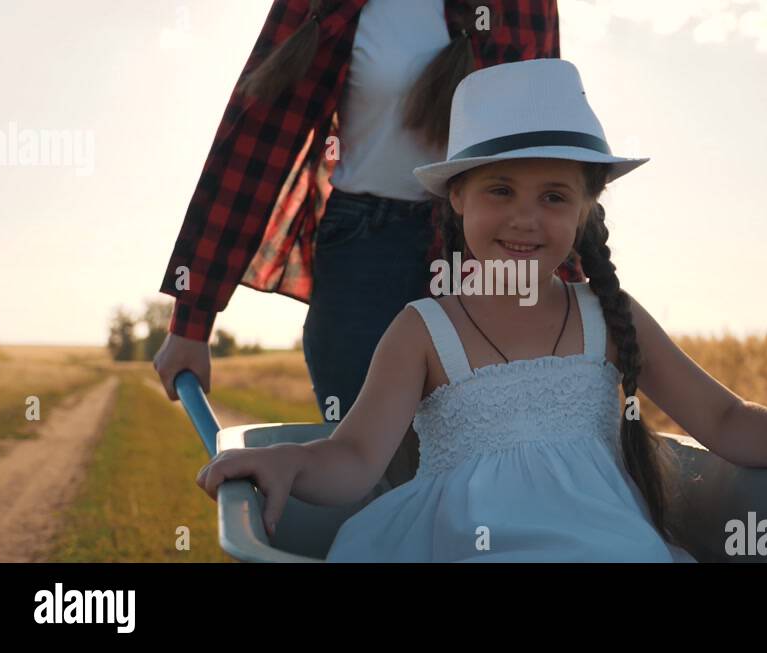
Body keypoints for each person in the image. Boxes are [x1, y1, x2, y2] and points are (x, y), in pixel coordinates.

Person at [196, 58, 767, 562]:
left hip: (604, 545)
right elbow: (354, 456)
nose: (526, 219)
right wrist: (291, 463)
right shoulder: (423, 330)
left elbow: (724, 418)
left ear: (586, 209)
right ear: (458, 199)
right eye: (501, 189)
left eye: (554, 196)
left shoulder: (607, 316)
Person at [153, 0, 578, 490]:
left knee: (489, 472)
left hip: (485, 254)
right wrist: (192, 318)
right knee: (375, 480)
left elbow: (548, 145)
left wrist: (568, 293)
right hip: (362, 253)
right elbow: (256, 135)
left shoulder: (525, 7)